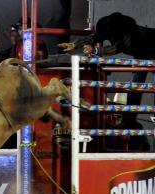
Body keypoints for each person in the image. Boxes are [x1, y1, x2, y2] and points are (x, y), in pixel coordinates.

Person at [58, 12, 153, 150]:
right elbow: (94, 37)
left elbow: (115, 48)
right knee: (134, 89)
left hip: (152, 50)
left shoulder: (128, 34)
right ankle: (130, 122)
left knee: (140, 86)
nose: (106, 38)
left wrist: (95, 50)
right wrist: (74, 44)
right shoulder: (113, 30)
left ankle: (131, 121)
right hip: (142, 54)